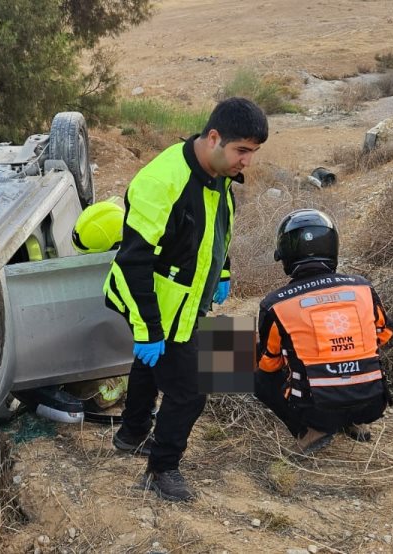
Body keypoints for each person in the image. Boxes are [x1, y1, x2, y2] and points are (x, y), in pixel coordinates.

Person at [103, 97, 268, 501]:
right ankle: (162, 469)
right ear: (213, 137)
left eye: (253, 152)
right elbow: (131, 265)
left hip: (189, 298)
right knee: (193, 388)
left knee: (152, 364)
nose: (246, 162)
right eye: (241, 151)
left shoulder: (219, 173)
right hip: (150, 299)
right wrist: (148, 328)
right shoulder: (162, 182)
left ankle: (131, 433)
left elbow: (218, 227)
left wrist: (223, 270)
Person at [255, 209, 393, 455]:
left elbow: (269, 365)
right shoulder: (363, 287)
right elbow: (383, 335)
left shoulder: (275, 304)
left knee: (235, 348)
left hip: (317, 409)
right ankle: (355, 423)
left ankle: (309, 430)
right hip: (372, 402)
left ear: (285, 253)